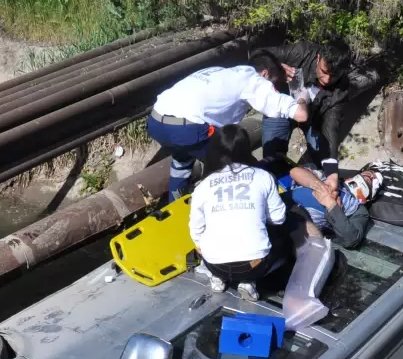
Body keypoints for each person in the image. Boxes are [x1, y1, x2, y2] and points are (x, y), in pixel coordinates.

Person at [148, 52, 309, 201]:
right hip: (186, 128)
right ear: (265, 74)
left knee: (182, 160)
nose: (273, 89)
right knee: (241, 169)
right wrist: (302, 97)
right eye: (273, 84)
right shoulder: (253, 81)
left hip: (156, 122)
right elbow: (301, 114)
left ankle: (175, 205)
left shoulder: (222, 72)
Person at [189, 124, 317, 301]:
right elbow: (279, 218)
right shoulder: (262, 176)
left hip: (214, 263)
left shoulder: (203, 186)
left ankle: (219, 278)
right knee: (286, 239)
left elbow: (195, 229)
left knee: (213, 241)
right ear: (246, 150)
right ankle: (249, 282)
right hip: (253, 266)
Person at [261, 40, 354, 189]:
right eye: (324, 71)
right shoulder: (301, 52)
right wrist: (274, 68)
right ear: (318, 58)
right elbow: (258, 55)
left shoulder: (341, 90)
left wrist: (332, 174)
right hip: (280, 109)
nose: (327, 79)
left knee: (319, 164)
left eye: (334, 75)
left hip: (311, 120)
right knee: (272, 160)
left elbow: (330, 130)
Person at [279, 165, 374, 249]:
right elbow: (295, 171)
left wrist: (332, 206)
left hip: (295, 224)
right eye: (369, 172)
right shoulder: (331, 178)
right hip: (278, 204)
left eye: (374, 180)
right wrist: (321, 187)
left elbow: (351, 240)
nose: (372, 176)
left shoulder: (359, 210)